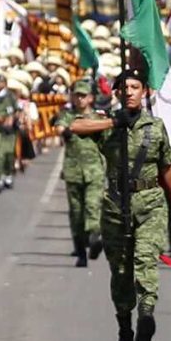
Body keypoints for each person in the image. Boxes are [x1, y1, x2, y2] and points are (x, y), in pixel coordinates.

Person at [64, 52, 171, 341]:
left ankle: (146, 313)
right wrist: (112, 121)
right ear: (117, 93)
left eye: (135, 87)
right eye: (124, 88)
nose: (130, 92)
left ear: (145, 92)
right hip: (116, 205)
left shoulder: (155, 128)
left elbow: (167, 168)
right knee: (120, 271)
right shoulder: (108, 125)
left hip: (149, 202)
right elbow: (75, 127)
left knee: (145, 258)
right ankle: (124, 330)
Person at [60, 79, 105, 266]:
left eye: (83, 95)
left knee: (93, 207)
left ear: (91, 98)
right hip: (73, 171)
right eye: (76, 95)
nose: (79, 99)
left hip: (94, 171)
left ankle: (95, 239)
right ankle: (80, 251)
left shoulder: (99, 118)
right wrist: (67, 130)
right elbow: (61, 129)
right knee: (77, 214)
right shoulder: (67, 116)